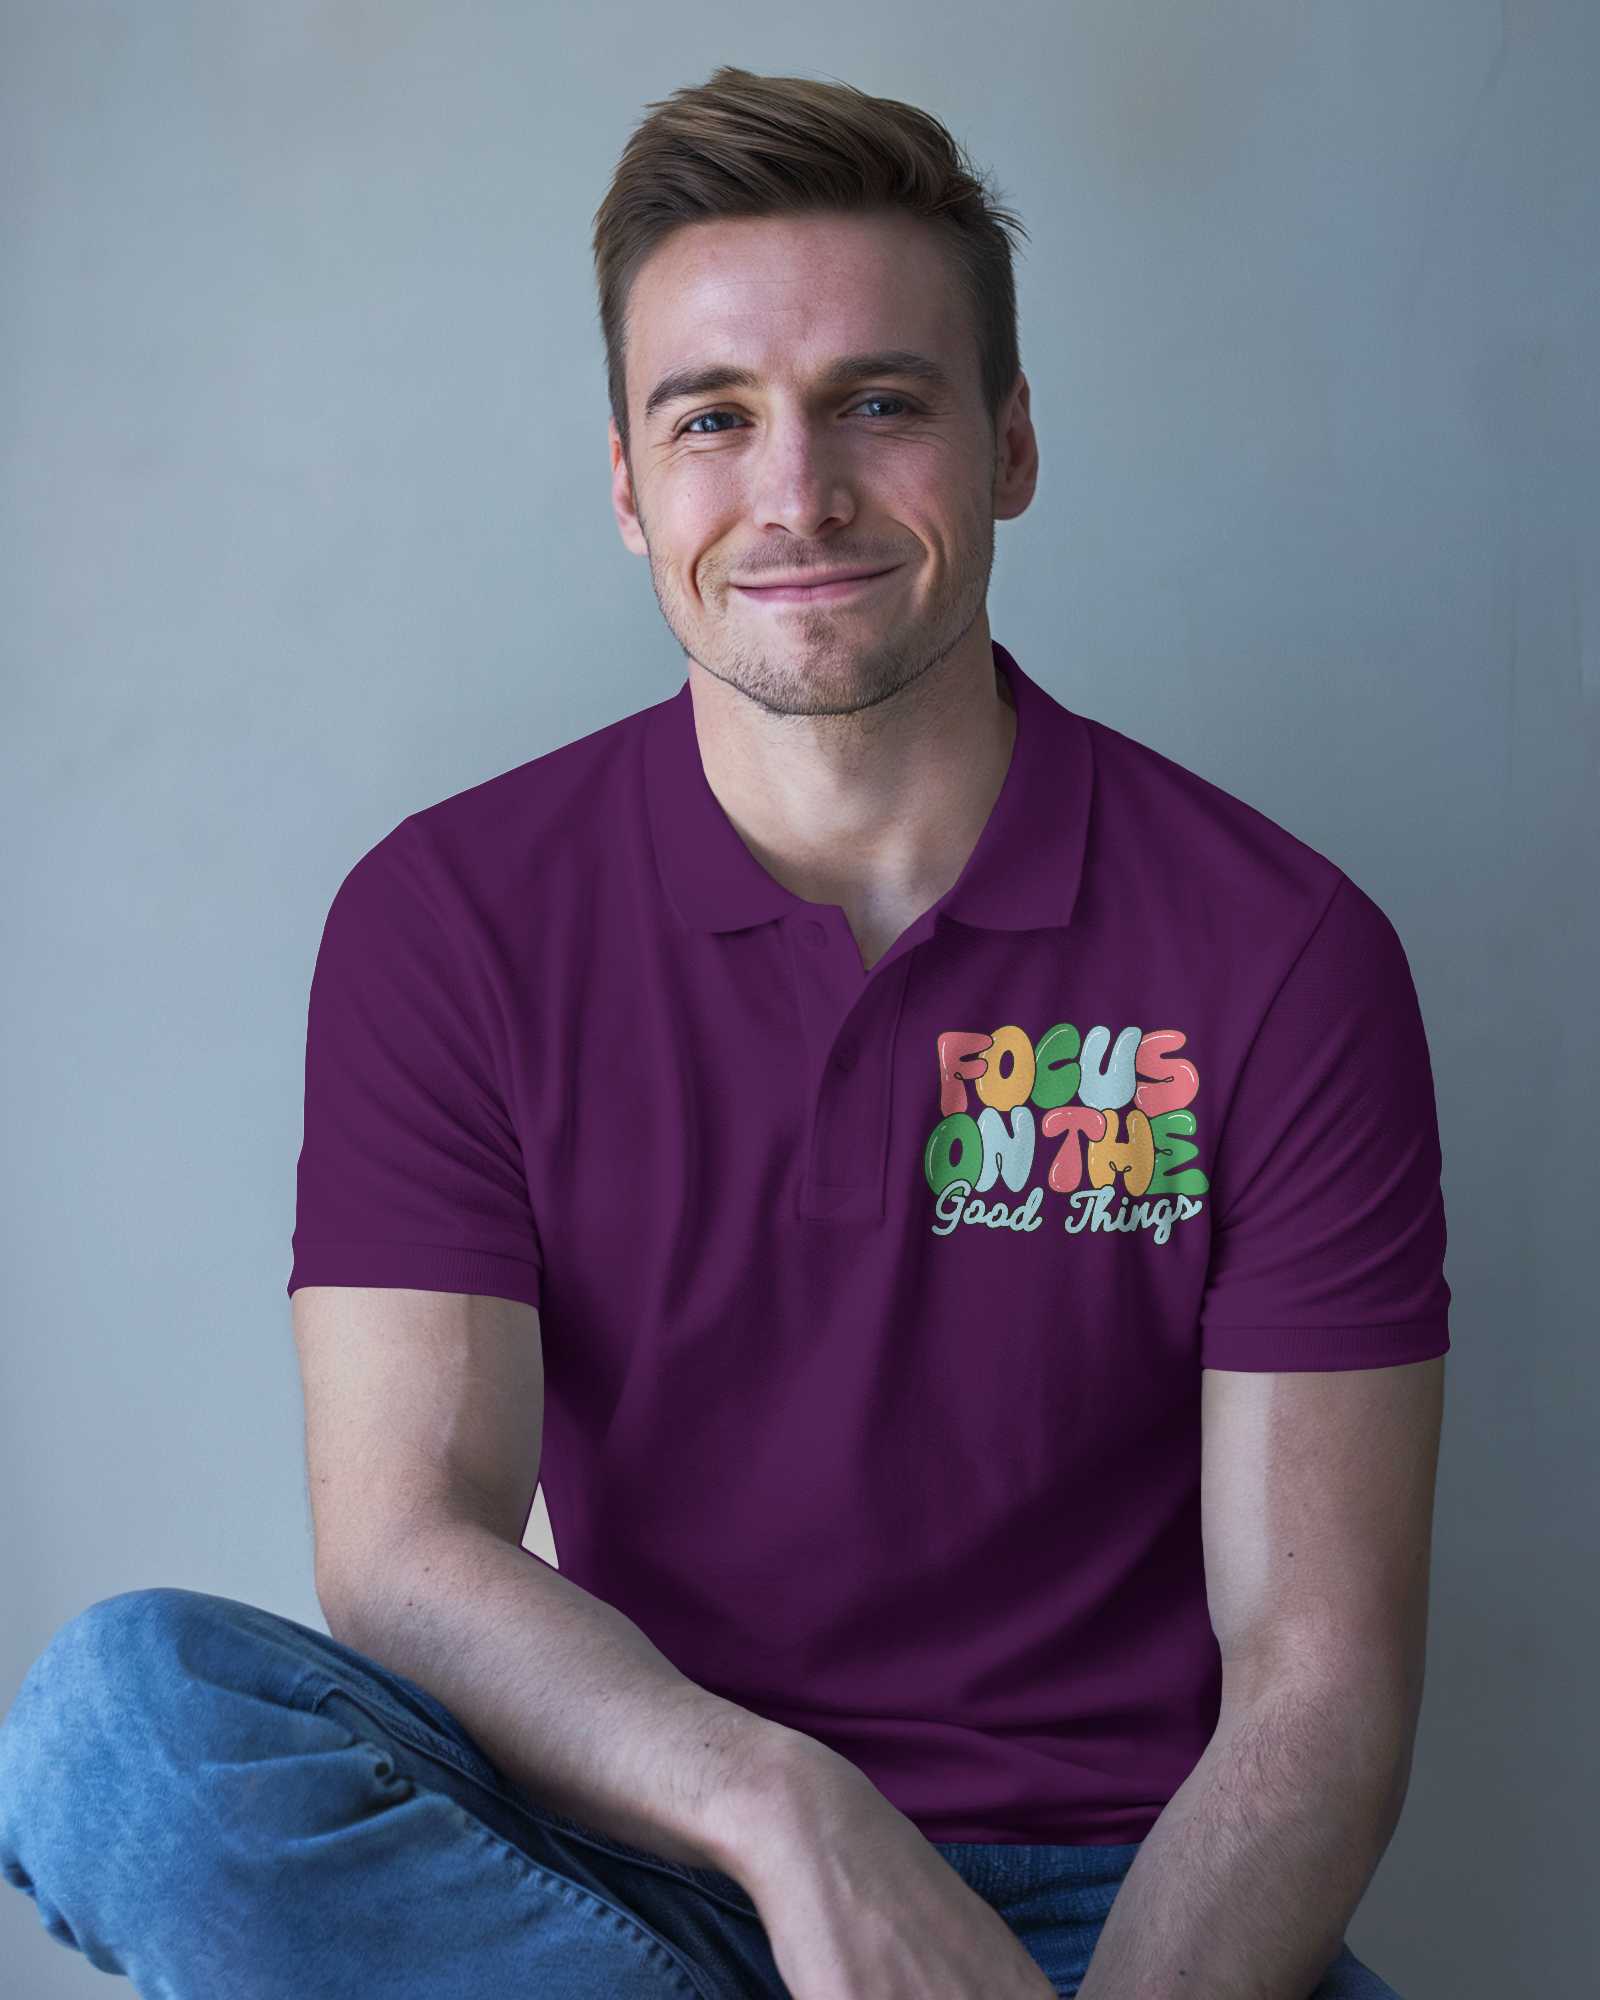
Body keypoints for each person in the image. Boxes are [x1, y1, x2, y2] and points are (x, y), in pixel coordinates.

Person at [0, 63, 1447, 2000]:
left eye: (878, 400)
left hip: (1130, 1910)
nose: (795, 492)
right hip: (631, 1871)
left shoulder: (1276, 947)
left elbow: (1317, 1677)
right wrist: (790, 1813)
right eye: (713, 417)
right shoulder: (452, 917)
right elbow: (410, 1544)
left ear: (1006, 443)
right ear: (624, 480)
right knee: (125, 1731)